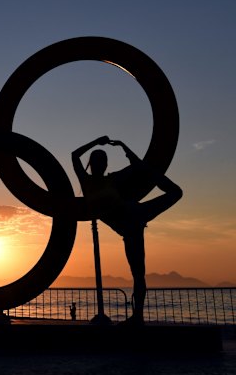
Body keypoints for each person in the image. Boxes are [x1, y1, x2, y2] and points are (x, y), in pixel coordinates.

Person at [72, 135, 183, 326]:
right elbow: (74, 155)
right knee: (138, 273)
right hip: (130, 229)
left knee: (175, 191)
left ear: (106, 164)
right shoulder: (86, 181)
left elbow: (136, 165)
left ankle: (137, 317)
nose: (101, 164)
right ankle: (137, 318)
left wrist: (124, 146)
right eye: (98, 160)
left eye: (104, 161)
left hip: (136, 214)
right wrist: (96, 141)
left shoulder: (113, 179)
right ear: (92, 163)